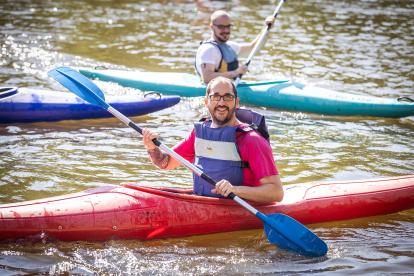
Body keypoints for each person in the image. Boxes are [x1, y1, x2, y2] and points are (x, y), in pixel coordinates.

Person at [142, 77, 283, 203]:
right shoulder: (198, 135)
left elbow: (276, 192)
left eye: (227, 97)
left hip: (243, 209)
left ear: (237, 102)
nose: (221, 102)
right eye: (215, 97)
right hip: (205, 203)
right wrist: (152, 148)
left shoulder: (252, 140)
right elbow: (165, 163)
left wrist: (235, 190)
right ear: (206, 102)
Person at [195, 10, 276, 84]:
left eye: (228, 26)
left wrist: (266, 29)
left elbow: (254, 48)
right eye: (221, 27)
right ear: (212, 27)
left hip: (229, 87)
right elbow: (206, 78)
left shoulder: (230, 46)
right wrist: (235, 73)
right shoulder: (208, 49)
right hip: (215, 92)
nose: (226, 30)